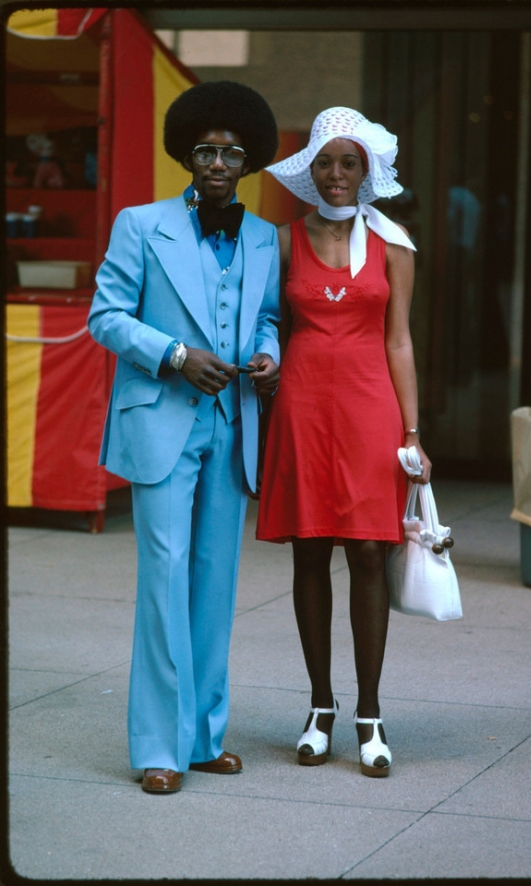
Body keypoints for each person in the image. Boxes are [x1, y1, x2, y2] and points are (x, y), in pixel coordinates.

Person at [88, 81, 280, 794]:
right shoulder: (141, 225)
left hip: (231, 426)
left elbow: (266, 318)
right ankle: (157, 749)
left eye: (231, 153)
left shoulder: (263, 238)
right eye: (206, 150)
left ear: (249, 161)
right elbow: (105, 317)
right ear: (187, 156)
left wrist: (269, 356)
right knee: (164, 581)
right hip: (161, 421)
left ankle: (202, 737)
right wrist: (174, 354)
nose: (218, 162)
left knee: (214, 586)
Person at [256, 107, 431, 778]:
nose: (336, 174)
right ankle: (320, 708)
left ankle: (371, 714)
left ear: (368, 172)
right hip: (303, 408)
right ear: (310, 169)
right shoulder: (279, 241)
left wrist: (413, 434)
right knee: (309, 553)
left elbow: (399, 340)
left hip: (370, 411)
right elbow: (268, 322)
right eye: (326, 161)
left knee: (367, 552)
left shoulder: (394, 243)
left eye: (349, 163)